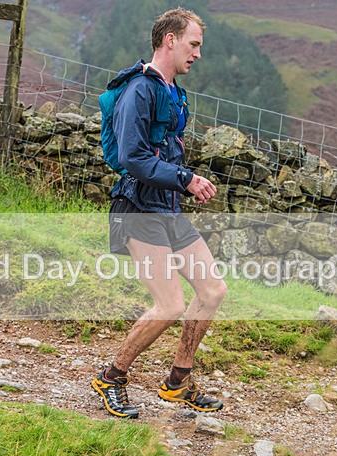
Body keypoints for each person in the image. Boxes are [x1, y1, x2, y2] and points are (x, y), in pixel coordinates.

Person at [91, 8, 228, 419]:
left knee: (212, 291)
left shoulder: (172, 91)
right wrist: (186, 179)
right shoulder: (139, 90)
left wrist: (181, 182)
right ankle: (111, 377)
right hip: (136, 208)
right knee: (168, 305)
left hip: (167, 209)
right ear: (170, 40)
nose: (198, 54)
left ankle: (177, 382)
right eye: (193, 44)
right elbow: (132, 157)